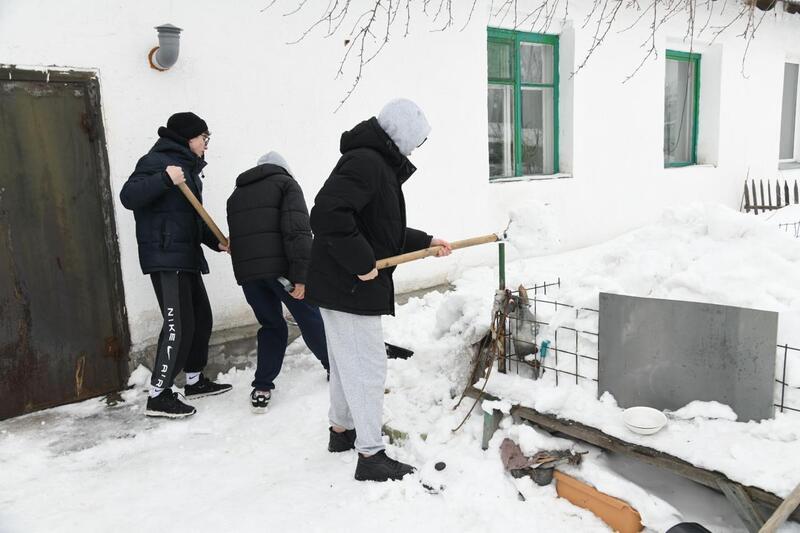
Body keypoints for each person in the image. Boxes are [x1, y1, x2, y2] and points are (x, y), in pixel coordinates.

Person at [307, 98, 451, 482]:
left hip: (340, 284)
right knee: (368, 367)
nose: (416, 148)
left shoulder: (374, 164)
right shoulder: (368, 162)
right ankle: (370, 455)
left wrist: (426, 241)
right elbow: (325, 214)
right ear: (401, 134)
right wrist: (361, 262)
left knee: (343, 362)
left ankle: (342, 431)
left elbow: (380, 229)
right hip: (349, 286)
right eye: (416, 140)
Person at [120, 112, 232, 419]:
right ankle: (158, 393)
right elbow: (128, 197)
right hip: (167, 257)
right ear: (188, 138)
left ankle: (194, 381)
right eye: (203, 139)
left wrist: (216, 241)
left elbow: (192, 219)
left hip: (186, 256)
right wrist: (164, 179)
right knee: (177, 325)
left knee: (201, 319)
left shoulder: (189, 171)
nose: (206, 146)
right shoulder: (156, 162)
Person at [226, 151, 329, 413]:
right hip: (281, 272)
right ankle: (336, 367)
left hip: (250, 276)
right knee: (309, 316)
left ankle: (262, 386)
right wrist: (302, 278)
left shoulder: (236, 196)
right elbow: (297, 232)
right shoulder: (286, 185)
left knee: (272, 325)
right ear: (284, 169)